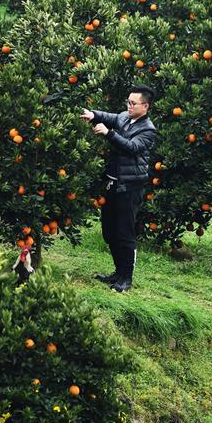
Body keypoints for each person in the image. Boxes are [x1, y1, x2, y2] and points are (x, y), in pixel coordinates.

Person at [80, 86, 157, 292]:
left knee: (125, 232)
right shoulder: (125, 116)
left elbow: (131, 147)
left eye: (134, 103)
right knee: (110, 231)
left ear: (145, 106)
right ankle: (117, 272)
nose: (129, 106)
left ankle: (126, 278)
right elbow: (110, 116)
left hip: (130, 186)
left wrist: (108, 133)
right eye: (128, 102)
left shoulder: (148, 129)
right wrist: (93, 114)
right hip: (112, 183)